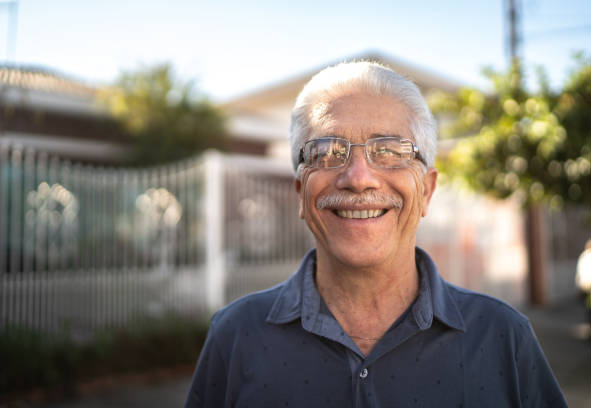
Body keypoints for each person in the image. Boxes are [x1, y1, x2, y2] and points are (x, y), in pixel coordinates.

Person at [185, 61, 567, 407]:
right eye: (328, 151)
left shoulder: (503, 337)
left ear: (427, 191)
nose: (358, 178)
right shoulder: (235, 335)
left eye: (390, 150)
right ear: (301, 193)